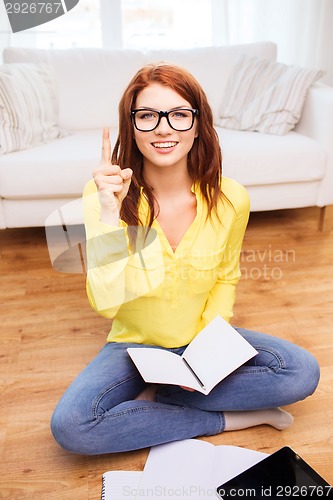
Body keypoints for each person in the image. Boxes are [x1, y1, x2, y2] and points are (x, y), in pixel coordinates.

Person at [51, 63, 320, 455]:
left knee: (301, 372)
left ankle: (157, 398)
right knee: (73, 427)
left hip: (201, 339)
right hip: (133, 345)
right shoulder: (102, 197)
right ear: (132, 128)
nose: (163, 128)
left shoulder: (232, 198)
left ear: (198, 126)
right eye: (147, 116)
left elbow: (227, 274)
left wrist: (209, 351)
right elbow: (106, 303)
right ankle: (222, 417)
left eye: (179, 115)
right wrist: (110, 215)